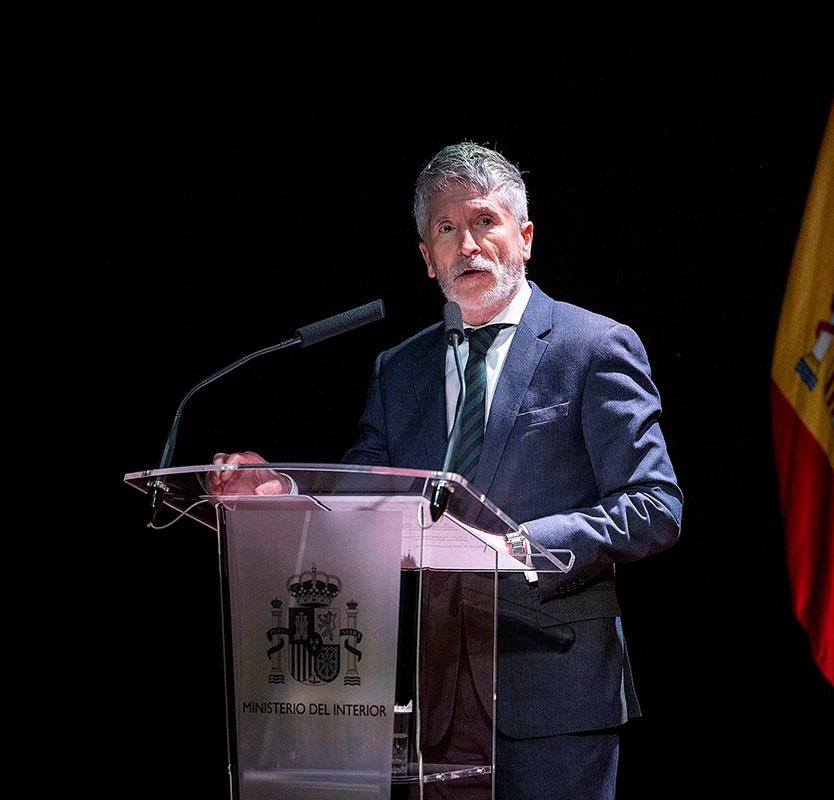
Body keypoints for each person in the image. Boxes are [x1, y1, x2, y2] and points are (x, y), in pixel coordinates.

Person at [209, 142, 682, 799]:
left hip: (554, 688)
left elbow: (654, 506)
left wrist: (519, 545)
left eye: (485, 221)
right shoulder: (400, 368)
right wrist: (279, 489)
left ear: (525, 237)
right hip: (430, 698)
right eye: (446, 229)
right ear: (426, 258)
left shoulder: (593, 348)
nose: (468, 245)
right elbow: (364, 490)